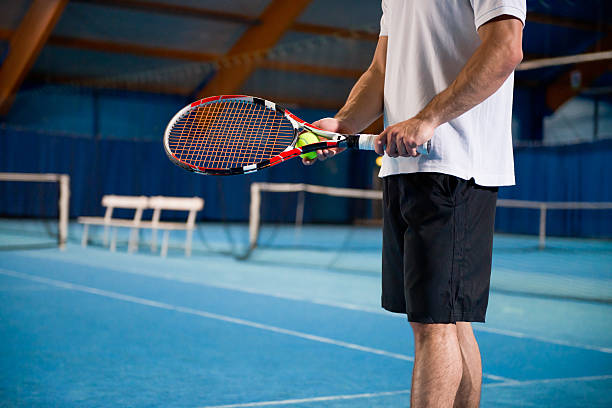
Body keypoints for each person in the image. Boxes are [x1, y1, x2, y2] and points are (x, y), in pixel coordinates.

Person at [303, 1, 526, 407]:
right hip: (403, 168)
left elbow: (506, 47)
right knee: (449, 323)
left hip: (456, 167)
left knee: (434, 326)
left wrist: (429, 118)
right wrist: (346, 123)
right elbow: (382, 70)